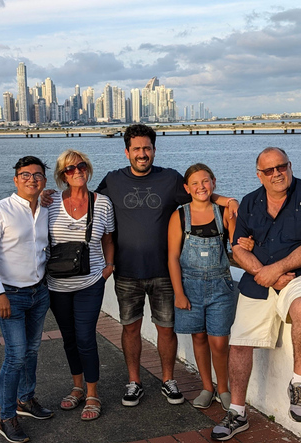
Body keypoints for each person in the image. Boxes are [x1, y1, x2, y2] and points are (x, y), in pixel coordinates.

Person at [93, 124, 238, 407]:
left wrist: (227, 199)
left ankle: (168, 380)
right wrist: (54, 199)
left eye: (147, 148)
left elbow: (201, 194)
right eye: (136, 149)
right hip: (127, 270)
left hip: (164, 272)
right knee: (131, 328)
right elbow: (92, 204)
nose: (142, 154)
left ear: (154, 150)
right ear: (127, 152)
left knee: (166, 329)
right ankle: (134, 382)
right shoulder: (113, 180)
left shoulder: (170, 179)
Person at [211, 147, 301, 441]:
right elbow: (238, 249)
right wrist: (264, 274)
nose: (276, 173)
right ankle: (237, 412)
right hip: (260, 278)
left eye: (281, 166)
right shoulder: (250, 203)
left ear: (289, 166)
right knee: (240, 341)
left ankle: (299, 384)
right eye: (268, 170)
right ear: (260, 175)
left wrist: (276, 270)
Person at [0, 155, 53, 443]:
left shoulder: (46, 208)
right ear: (15, 179)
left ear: (44, 180)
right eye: (25, 175)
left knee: (32, 351)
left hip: (39, 292)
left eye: (37, 175)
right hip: (11, 295)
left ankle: (26, 399)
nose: (32, 179)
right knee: (15, 355)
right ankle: (7, 416)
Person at [47, 149, 115, 421]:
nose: (77, 171)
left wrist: (109, 266)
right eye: (70, 169)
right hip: (56, 285)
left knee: (86, 337)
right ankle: (76, 386)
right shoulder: (49, 201)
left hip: (90, 282)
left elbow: (108, 238)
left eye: (82, 166)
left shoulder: (102, 203)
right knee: (69, 338)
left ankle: (92, 392)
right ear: (62, 175)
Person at [168, 163, 236, 411]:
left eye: (205, 181)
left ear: (214, 182)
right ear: (187, 188)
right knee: (198, 337)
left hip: (221, 285)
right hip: (190, 285)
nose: (201, 187)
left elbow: (237, 245)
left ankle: (224, 388)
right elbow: (173, 257)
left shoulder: (222, 212)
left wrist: (232, 205)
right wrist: (179, 293)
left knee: (219, 341)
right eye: (195, 183)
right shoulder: (180, 216)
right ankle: (207, 387)